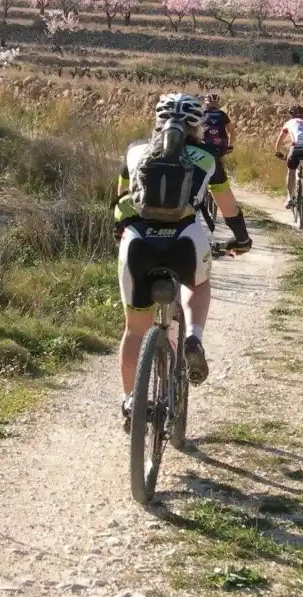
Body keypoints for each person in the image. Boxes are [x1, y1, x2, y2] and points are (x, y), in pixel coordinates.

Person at [115, 92, 254, 432]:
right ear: (198, 126)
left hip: (138, 243)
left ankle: (133, 401)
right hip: (184, 241)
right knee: (199, 283)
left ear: (156, 121)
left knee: (135, 329)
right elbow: (228, 206)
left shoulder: (135, 152)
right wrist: (242, 239)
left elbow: (119, 202)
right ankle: (193, 336)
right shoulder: (206, 157)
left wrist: (120, 234)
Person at [272, 104, 303, 210]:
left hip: (296, 149)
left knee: (291, 171)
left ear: (291, 115)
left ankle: (290, 198)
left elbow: (280, 140)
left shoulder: (289, 123)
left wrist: (278, 152)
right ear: (302, 114)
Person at [201, 92, 235, 158]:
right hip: (221, 145)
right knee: (221, 161)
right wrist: (230, 146)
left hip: (205, 144)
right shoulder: (223, 114)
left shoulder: (202, 113)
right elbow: (231, 131)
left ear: (207, 103)